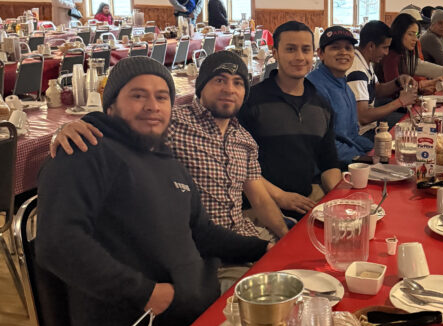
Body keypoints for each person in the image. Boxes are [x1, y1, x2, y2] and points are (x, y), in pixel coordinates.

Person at [37, 56, 270, 326]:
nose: (152, 106)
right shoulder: (86, 150)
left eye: (162, 97)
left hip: (197, 313)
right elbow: (57, 243)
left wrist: (263, 249)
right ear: (111, 106)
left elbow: (201, 232)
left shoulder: (164, 159)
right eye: (138, 95)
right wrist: (144, 292)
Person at [51, 51, 290, 243]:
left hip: (241, 238)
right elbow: (119, 128)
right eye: (219, 80)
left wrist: (285, 236)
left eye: (238, 83)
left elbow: (260, 200)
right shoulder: (171, 122)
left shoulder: (244, 140)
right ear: (201, 86)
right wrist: (65, 130)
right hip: (198, 249)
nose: (229, 89)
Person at [239, 21, 342, 220]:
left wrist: (339, 198)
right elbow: (239, 165)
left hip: (303, 204)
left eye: (306, 50)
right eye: (291, 49)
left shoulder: (321, 105)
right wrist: (281, 197)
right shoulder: (251, 101)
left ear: (314, 54)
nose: (300, 57)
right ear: (275, 53)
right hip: (259, 208)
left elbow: (329, 162)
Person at [306, 26, 374, 163]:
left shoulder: (345, 87)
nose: (343, 52)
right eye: (335, 47)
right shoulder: (314, 88)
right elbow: (320, 143)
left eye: (348, 48)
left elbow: (352, 136)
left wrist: (375, 149)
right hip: (327, 167)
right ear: (321, 53)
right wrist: (362, 158)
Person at [346, 20, 417, 138]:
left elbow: (377, 90)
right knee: (411, 129)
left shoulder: (364, 61)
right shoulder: (357, 71)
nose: (387, 52)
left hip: (370, 126)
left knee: (412, 122)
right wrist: (400, 102)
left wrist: (398, 81)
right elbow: (363, 117)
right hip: (361, 134)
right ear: (371, 46)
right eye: (385, 47)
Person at [379, 13, 443, 94]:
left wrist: (431, 83)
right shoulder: (391, 56)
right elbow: (395, 91)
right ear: (399, 33)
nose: (415, 39)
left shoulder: (405, 53)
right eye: (410, 34)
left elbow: (407, 85)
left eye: (416, 35)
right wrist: (422, 88)